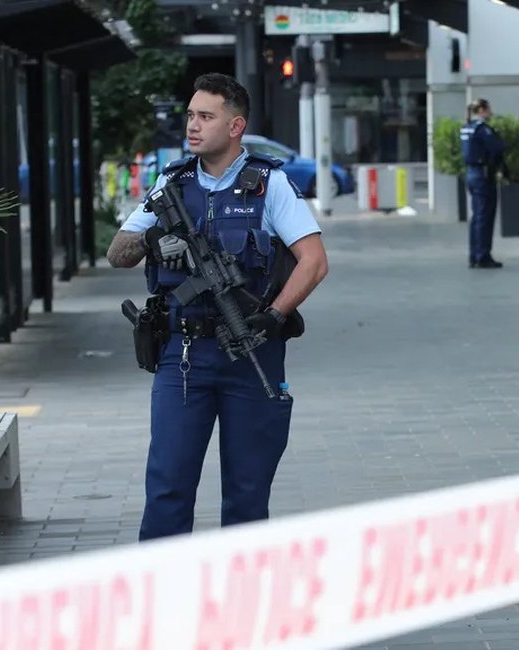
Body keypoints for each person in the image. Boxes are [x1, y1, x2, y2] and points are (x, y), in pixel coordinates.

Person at [106, 73, 329, 540]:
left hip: (251, 350)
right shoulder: (172, 184)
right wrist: (152, 237)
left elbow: (313, 262)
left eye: (206, 116)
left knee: (247, 494)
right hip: (183, 355)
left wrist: (274, 315)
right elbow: (117, 254)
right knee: (168, 487)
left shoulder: (269, 185)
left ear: (235, 126)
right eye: (190, 114)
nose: (193, 125)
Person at [459, 99, 507, 269]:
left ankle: (474, 255)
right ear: (483, 110)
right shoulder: (482, 129)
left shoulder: (466, 127)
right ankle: (483, 256)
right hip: (483, 174)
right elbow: (498, 147)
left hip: (472, 173)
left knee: (477, 216)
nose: (490, 113)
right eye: (489, 109)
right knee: (485, 216)